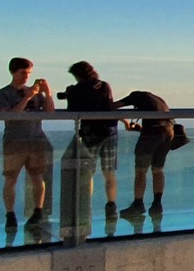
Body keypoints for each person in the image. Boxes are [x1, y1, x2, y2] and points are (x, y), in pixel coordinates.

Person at [0, 57, 53, 232]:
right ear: (13, 72)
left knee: (37, 176)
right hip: (14, 141)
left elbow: (50, 112)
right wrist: (27, 97)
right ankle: (10, 214)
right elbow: (11, 116)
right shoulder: (2, 94)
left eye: (28, 73)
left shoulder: (35, 94)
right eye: (23, 73)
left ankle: (38, 211)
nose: (26, 77)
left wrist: (47, 93)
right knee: (11, 178)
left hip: (36, 140)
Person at [56, 61, 120, 215]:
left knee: (87, 172)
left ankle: (85, 206)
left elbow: (72, 111)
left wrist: (70, 94)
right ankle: (111, 205)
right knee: (109, 172)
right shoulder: (104, 85)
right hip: (109, 130)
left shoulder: (76, 90)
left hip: (90, 133)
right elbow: (110, 106)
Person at [113, 88, 174, 218]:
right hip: (168, 133)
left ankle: (138, 204)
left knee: (141, 171)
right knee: (158, 170)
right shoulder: (158, 100)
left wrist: (125, 122)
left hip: (151, 134)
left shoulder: (136, 96)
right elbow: (160, 125)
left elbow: (113, 107)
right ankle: (157, 205)